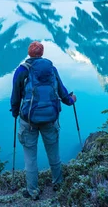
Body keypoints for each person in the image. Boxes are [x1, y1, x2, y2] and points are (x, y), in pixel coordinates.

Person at [10, 41, 77, 200]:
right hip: (50, 119)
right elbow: (62, 92)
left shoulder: (22, 71)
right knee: (53, 153)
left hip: (28, 121)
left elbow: (15, 95)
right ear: (42, 53)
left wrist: (14, 112)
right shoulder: (51, 70)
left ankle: (32, 191)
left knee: (30, 157)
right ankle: (58, 183)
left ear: (29, 53)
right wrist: (71, 100)